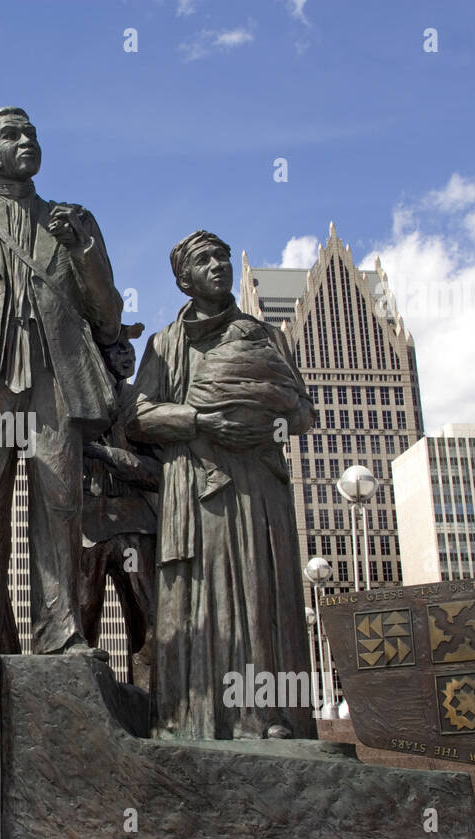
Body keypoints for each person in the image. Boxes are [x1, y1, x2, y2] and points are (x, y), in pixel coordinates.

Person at [0, 106, 121, 656]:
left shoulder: (72, 221)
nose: (26, 140)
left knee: (60, 507)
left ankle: (60, 634)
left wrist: (84, 253)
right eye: (11, 135)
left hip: (54, 387)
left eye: (31, 132)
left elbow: (106, 315)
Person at [125, 230, 316, 740]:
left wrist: (268, 426)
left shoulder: (267, 336)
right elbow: (136, 418)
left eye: (223, 257)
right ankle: (196, 720)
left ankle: (269, 716)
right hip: (196, 485)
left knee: (259, 592)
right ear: (184, 279)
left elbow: (303, 412)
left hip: (258, 483)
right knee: (203, 597)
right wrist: (200, 422)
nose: (217, 265)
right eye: (204, 260)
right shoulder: (165, 344)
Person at [80, 323, 159, 687]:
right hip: (89, 528)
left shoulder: (141, 405)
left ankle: (153, 708)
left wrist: (109, 456)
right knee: (82, 625)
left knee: (147, 625)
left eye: (129, 348)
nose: (126, 354)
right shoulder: (78, 406)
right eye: (117, 348)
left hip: (136, 526)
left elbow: (157, 472)